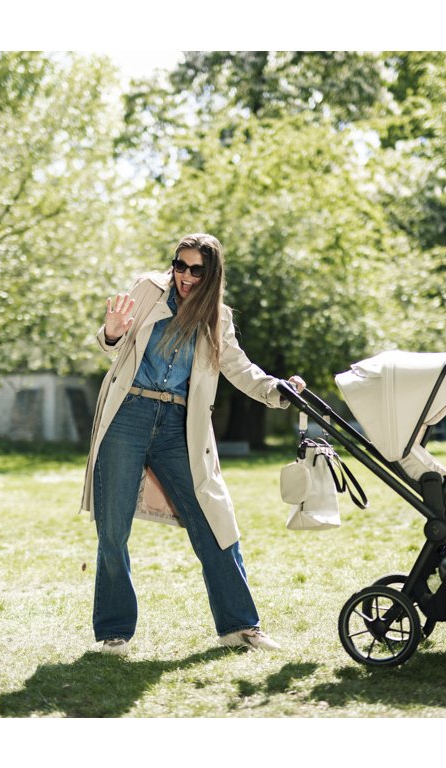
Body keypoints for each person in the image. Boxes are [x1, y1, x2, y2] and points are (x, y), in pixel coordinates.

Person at [80, 232, 306, 656]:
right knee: (112, 528)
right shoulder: (148, 289)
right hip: (128, 414)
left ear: (212, 274)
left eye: (196, 270)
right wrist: (110, 332)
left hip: (179, 427)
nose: (185, 275)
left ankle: (240, 626)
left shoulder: (218, 318)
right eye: (179, 265)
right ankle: (114, 632)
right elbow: (112, 341)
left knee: (215, 519)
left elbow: (240, 368)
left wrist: (278, 391)